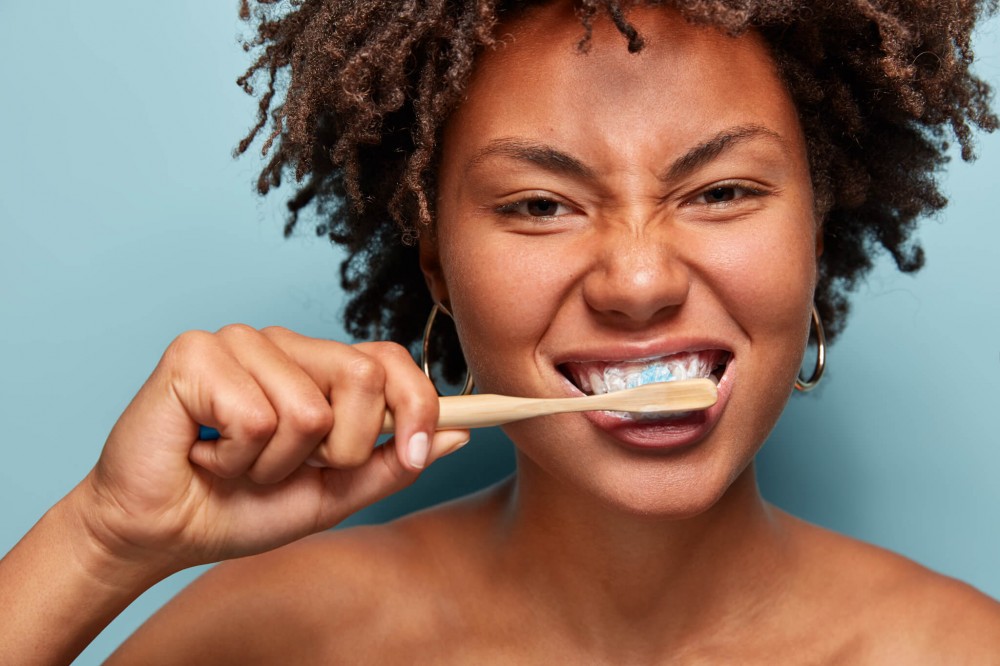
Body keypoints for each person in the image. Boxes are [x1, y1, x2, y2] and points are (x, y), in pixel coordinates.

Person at [3, 0, 999, 662]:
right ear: (435, 258)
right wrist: (98, 540)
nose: (638, 280)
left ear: (814, 233)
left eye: (723, 190)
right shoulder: (271, 638)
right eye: (536, 205)